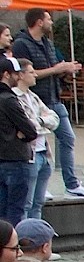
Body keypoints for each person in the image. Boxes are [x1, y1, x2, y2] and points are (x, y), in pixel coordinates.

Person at [10, 10, 84, 198]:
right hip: (35, 100)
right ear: (39, 22)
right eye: (48, 19)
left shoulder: (48, 43)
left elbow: (53, 69)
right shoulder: (22, 44)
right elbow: (26, 73)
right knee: (38, 145)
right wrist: (56, 69)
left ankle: (71, 184)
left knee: (67, 138)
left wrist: (66, 70)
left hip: (54, 97)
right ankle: (40, 186)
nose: (52, 22)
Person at [11, 59, 55, 221]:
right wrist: (41, 122)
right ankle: (23, 240)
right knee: (26, 204)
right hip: (30, 155)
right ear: (21, 75)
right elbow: (27, 125)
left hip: (44, 153)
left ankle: (36, 236)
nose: (35, 74)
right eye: (31, 72)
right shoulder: (14, 98)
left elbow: (54, 119)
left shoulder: (33, 97)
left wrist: (41, 121)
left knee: (38, 203)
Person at [0, 56, 40, 224]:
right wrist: (22, 132)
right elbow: (30, 131)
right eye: (16, 73)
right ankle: (13, 245)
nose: (18, 77)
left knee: (2, 210)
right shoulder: (9, 100)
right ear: (6, 75)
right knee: (16, 210)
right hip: (15, 160)